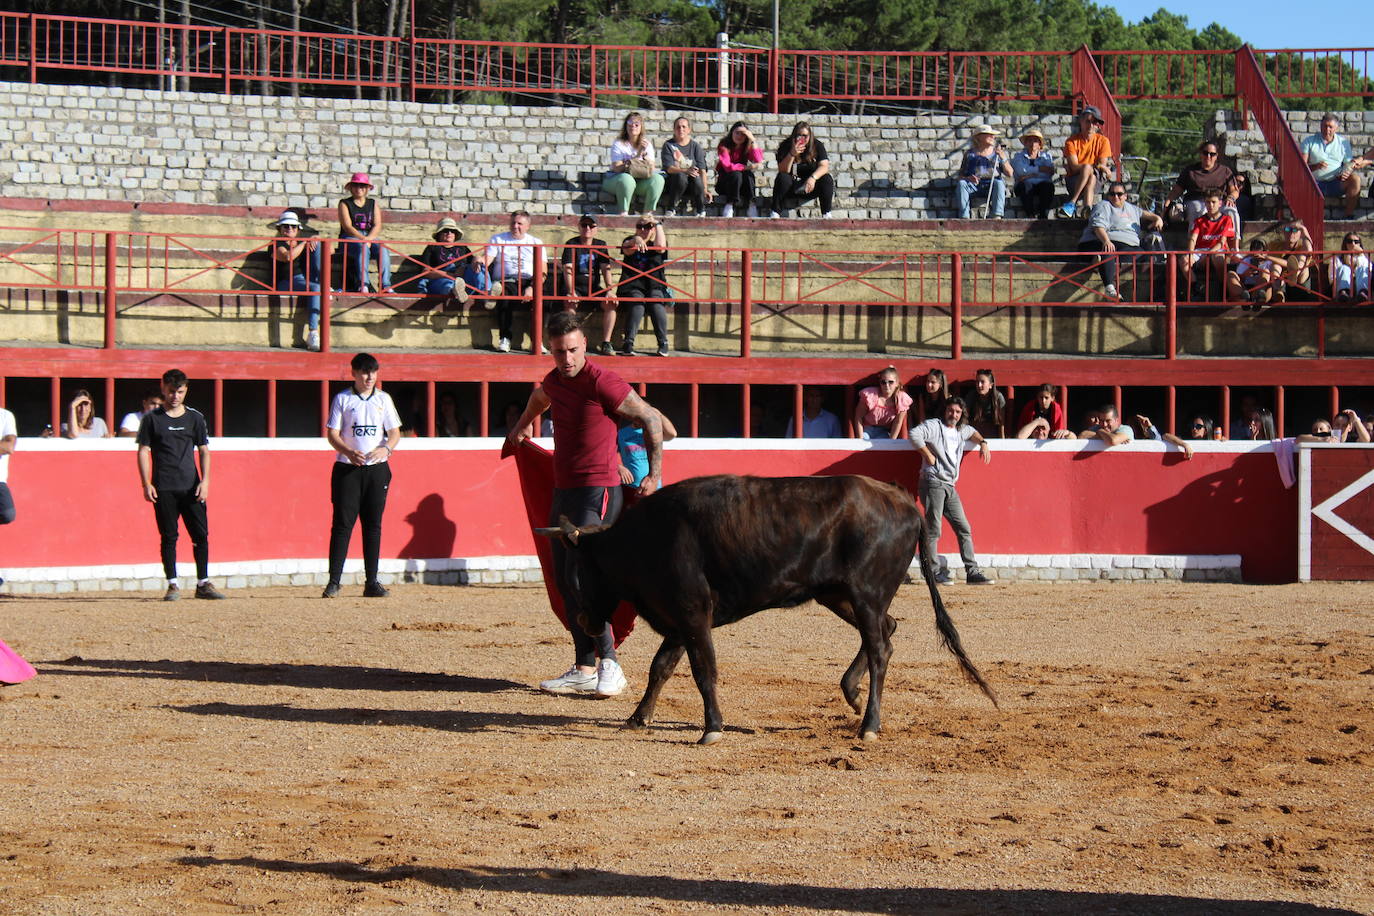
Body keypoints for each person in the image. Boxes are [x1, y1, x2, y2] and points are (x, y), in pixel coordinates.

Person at [505, 309, 665, 698]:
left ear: (585, 346)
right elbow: (539, 397)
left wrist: (653, 474)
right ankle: (584, 667)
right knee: (565, 581)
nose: (567, 359)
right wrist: (524, 423)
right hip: (565, 490)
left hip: (600, 488)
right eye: (559, 352)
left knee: (584, 577)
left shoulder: (602, 381)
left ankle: (610, 663)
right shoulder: (554, 381)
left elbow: (650, 418)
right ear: (551, 350)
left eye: (573, 350)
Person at [136, 369, 223, 601]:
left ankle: (202, 582)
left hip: (190, 485)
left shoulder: (195, 418)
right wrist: (146, 483)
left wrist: (205, 481)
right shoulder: (152, 419)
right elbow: (143, 451)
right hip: (163, 485)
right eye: (172, 391)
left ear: (186, 391)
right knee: (169, 536)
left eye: (180, 391)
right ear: (163, 388)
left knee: (201, 535)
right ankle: (172, 584)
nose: (175, 396)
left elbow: (204, 450)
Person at [323, 352, 402, 599]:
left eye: (373, 372)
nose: (370, 377)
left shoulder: (384, 399)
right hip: (348, 468)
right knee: (342, 525)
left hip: (377, 469)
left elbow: (394, 433)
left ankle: (372, 582)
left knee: (373, 526)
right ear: (354, 373)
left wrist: (386, 448)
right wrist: (347, 450)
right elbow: (332, 434)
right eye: (365, 372)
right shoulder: (343, 399)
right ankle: (334, 581)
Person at [909, 396, 993, 586]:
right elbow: (914, 434)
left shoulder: (960, 430)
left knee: (964, 528)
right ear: (944, 410)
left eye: (957, 412)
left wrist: (984, 442)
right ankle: (933, 572)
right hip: (933, 482)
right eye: (950, 411)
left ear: (961, 414)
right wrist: (928, 454)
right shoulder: (934, 425)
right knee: (933, 529)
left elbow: (973, 432)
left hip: (949, 486)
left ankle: (972, 572)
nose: (953, 415)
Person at [1077, 181, 1164, 301]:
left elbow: (1144, 213)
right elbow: (1098, 226)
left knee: (1146, 254)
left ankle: (1153, 293)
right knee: (1108, 251)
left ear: (1125, 196)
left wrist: (1157, 218)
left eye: (1119, 194)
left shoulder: (1131, 208)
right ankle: (1109, 288)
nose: (1116, 197)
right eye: (1112, 194)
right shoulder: (1103, 206)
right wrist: (1106, 241)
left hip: (1128, 248)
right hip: (1101, 241)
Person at [483, 210, 546, 354]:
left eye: (520, 224)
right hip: (506, 280)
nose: (515, 226)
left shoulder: (536, 242)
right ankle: (505, 338)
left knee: (544, 301)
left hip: (529, 280)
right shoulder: (497, 239)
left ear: (528, 226)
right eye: (513, 223)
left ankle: (537, 340)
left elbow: (543, 271)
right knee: (504, 296)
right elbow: (487, 259)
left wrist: (532, 287)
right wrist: (479, 261)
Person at [559, 214, 618, 356]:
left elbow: (606, 269)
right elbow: (568, 270)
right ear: (579, 227)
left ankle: (606, 343)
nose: (587, 228)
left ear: (596, 229)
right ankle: (571, 341)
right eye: (584, 225)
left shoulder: (601, 245)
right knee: (570, 302)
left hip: (594, 287)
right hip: (576, 286)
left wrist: (610, 290)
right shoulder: (571, 244)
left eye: (591, 226)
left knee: (611, 303)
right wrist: (571, 290)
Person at [615, 216, 670, 357]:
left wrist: (657, 224)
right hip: (633, 285)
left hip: (654, 284)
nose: (643, 229)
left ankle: (663, 343)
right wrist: (637, 239)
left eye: (648, 226)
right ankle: (628, 343)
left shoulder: (657, 240)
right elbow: (627, 249)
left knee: (656, 302)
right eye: (640, 226)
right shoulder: (629, 240)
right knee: (637, 302)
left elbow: (661, 248)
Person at [1161, 140, 1241, 235]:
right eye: (1205, 153)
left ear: (1217, 156)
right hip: (1195, 201)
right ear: (1200, 154)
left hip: (1219, 202)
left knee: (1231, 211)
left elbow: (1234, 191)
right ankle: (1196, 244)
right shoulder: (1190, 171)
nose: (1208, 157)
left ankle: (1234, 245)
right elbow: (1177, 190)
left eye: (1212, 154)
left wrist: (1231, 198)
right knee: (1199, 209)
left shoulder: (1225, 171)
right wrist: (1167, 204)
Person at [269, 210, 322, 351]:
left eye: (293, 227)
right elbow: (287, 257)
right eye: (286, 226)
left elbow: (331, 252)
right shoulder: (275, 243)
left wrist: (316, 239)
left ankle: (321, 284)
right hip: (285, 281)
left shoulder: (301, 244)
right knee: (315, 288)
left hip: (303, 280)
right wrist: (305, 242)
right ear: (280, 229)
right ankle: (313, 332)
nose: (290, 229)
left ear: (298, 230)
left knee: (318, 245)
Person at [337, 172, 391, 293]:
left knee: (383, 248)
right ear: (351, 188)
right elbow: (347, 226)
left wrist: (369, 239)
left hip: (369, 236)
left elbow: (377, 225)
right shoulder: (344, 203)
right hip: (350, 237)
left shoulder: (372, 203)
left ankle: (385, 285)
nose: (359, 189)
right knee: (363, 247)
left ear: (367, 188)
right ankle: (363, 284)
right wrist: (363, 239)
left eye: (362, 186)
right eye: (356, 185)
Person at [1301, 113, 1364, 219]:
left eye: (1330, 127)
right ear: (1320, 126)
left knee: (1355, 179)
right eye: (1324, 126)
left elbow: (1348, 164)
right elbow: (1301, 166)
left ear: (1336, 128)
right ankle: (1304, 216)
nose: (1327, 129)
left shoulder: (1343, 143)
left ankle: (1348, 215)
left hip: (1336, 182)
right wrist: (1315, 166)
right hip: (1314, 183)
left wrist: (1345, 172)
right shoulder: (1309, 141)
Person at [605, 112, 664, 217]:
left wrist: (645, 158)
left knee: (658, 179)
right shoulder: (619, 144)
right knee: (627, 179)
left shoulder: (647, 144)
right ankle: (624, 212)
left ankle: (647, 214)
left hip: (639, 181)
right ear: (626, 126)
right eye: (630, 123)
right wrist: (637, 156)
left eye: (637, 124)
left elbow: (651, 168)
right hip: (617, 181)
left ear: (641, 127)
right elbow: (617, 168)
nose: (633, 126)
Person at [771, 121, 834, 218]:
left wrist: (813, 178)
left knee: (827, 179)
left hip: (810, 186)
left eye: (805, 136)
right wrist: (792, 154)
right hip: (791, 186)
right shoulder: (785, 145)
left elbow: (824, 166)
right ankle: (775, 212)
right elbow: (783, 170)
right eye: (798, 135)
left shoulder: (817, 145)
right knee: (782, 178)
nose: (801, 138)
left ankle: (826, 214)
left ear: (810, 136)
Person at [1060, 105, 1114, 218]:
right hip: (1074, 180)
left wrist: (1097, 167)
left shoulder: (1103, 141)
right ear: (1081, 121)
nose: (1091, 126)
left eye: (1094, 123)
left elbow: (1102, 163)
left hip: (1095, 180)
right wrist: (1092, 167)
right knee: (1089, 173)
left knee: (1091, 175)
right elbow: (1074, 167)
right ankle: (1087, 208)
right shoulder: (1071, 142)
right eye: (1088, 121)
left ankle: (1072, 203)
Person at [1183, 188, 1237, 299]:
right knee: (1183, 260)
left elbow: (1222, 242)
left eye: (1213, 202)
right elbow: (1193, 239)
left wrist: (1208, 255)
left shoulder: (1226, 219)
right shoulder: (1199, 221)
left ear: (1220, 203)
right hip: (1200, 251)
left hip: (1217, 251)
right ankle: (1196, 288)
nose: (1210, 205)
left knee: (1217, 258)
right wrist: (1190, 254)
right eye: (1208, 202)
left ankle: (1223, 290)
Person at [660, 116, 712, 217]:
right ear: (674, 130)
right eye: (678, 127)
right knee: (680, 175)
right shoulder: (668, 145)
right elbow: (669, 168)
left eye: (684, 127)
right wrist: (685, 171)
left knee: (696, 178)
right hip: (674, 183)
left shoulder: (695, 146)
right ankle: (671, 208)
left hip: (692, 183)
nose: (681, 129)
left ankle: (700, 210)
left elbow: (702, 170)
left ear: (689, 130)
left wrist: (705, 189)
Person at [956, 125, 1012, 219]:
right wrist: (968, 178)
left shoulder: (998, 153)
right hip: (974, 186)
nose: (992, 137)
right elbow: (960, 176)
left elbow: (1010, 173)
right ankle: (964, 216)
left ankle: (996, 215)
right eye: (989, 135)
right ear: (979, 137)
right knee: (962, 184)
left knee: (999, 183)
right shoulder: (970, 154)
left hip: (992, 185)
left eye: (993, 135)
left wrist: (1003, 158)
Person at [413, 217, 472, 302]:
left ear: (455, 234)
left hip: (463, 280)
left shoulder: (463, 248)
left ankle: (487, 293)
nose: (449, 233)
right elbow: (425, 272)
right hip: (439, 280)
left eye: (452, 231)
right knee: (447, 284)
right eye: (445, 230)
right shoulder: (432, 248)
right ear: (439, 234)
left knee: (479, 269)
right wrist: (449, 275)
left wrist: (463, 268)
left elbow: (473, 266)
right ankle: (455, 290)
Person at [618, 409, 678, 492]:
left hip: (653, 486)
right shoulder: (621, 433)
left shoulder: (653, 431)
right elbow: (607, 454)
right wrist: (618, 467)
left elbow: (672, 434)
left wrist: (658, 414)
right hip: (631, 487)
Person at [715, 121, 764, 218]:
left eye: (743, 134)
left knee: (748, 174)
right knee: (736, 174)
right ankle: (729, 205)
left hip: (741, 185)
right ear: (732, 133)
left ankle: (751, 205)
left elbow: (758, 160)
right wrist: (746, 167)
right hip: (725, 183)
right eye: (737, 133)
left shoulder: (746, 146)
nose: (739, 136)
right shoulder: (723, 145)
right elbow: (728, 167)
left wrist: (752, 140)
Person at [853, 366, 911, 440]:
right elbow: (858, 417)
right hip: (867, 429)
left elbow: (898, 423)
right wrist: (860, 439)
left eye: (890, 382)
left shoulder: (902, 399)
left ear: (896, 383)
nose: (887, 385)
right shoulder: (870, 395)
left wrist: (891, 441)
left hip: (885, 432)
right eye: (883, 382)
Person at [1011, 127, 1055, 219]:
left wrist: (1029, 174)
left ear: (1040, 144)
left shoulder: (1046, 156)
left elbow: (1049, 173)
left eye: (1035, 141)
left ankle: (1043, 215)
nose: (1032, 143)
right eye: (1029, 140)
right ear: (1025, 143)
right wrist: (1040, 169)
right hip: (1024, 186)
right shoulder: (1018, 156)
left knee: (1048, 186)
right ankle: (1030, 215)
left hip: (1041, 185)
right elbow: (1021, 171)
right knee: (1026, 185)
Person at [1231, 238, 1285, 310]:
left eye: (1260, 254)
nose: (1258, 258)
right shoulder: (1246, 260)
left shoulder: (1270, 262)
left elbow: (1287, 264)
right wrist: (1245, 274)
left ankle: (1257, 300)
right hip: (1246, 289)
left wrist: (1267, 257)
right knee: (1230, 274)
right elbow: (1237, 277)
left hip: (1263, 290)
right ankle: (1243, 300)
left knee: (1265, 271)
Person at [1273, 219, 1315, 296]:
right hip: (1283, 283)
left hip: (1301, 283)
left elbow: (1309, 250)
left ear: (1301, 233)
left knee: (1302, 257)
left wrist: (1303, 229)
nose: (1291, 233)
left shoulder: (1302, 246)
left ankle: (1295, 273)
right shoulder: (1276, 246)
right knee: (1276, 265)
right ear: (1283, 231)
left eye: (1295, 230)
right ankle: (1279, 293)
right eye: (1288, 229)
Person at [1328, 231, 1371, 303]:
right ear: (1345, 244)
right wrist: (1347, 266)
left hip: (1359, 287)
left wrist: (1361, 255)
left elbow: (1368, 271)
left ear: (1360, 244)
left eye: (1356, 241)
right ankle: (1344, 293)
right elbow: (1332, 278)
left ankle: (1363, 293)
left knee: (1362, 269)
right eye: (1349, 241)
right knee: (1344, 268)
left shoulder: (1363, 258)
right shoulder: (1336, 259)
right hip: (1339, 288)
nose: (1353, 244)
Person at [964, 368, 1006, 438]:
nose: (979, 385)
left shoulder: (998, 397)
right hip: (974, 434)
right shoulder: (971, 396)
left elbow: (1001, 423)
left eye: (982, 382)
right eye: (977, 382)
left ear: (991, 385)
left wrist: (1002, 440)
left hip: (992, 434)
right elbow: (965, 418)